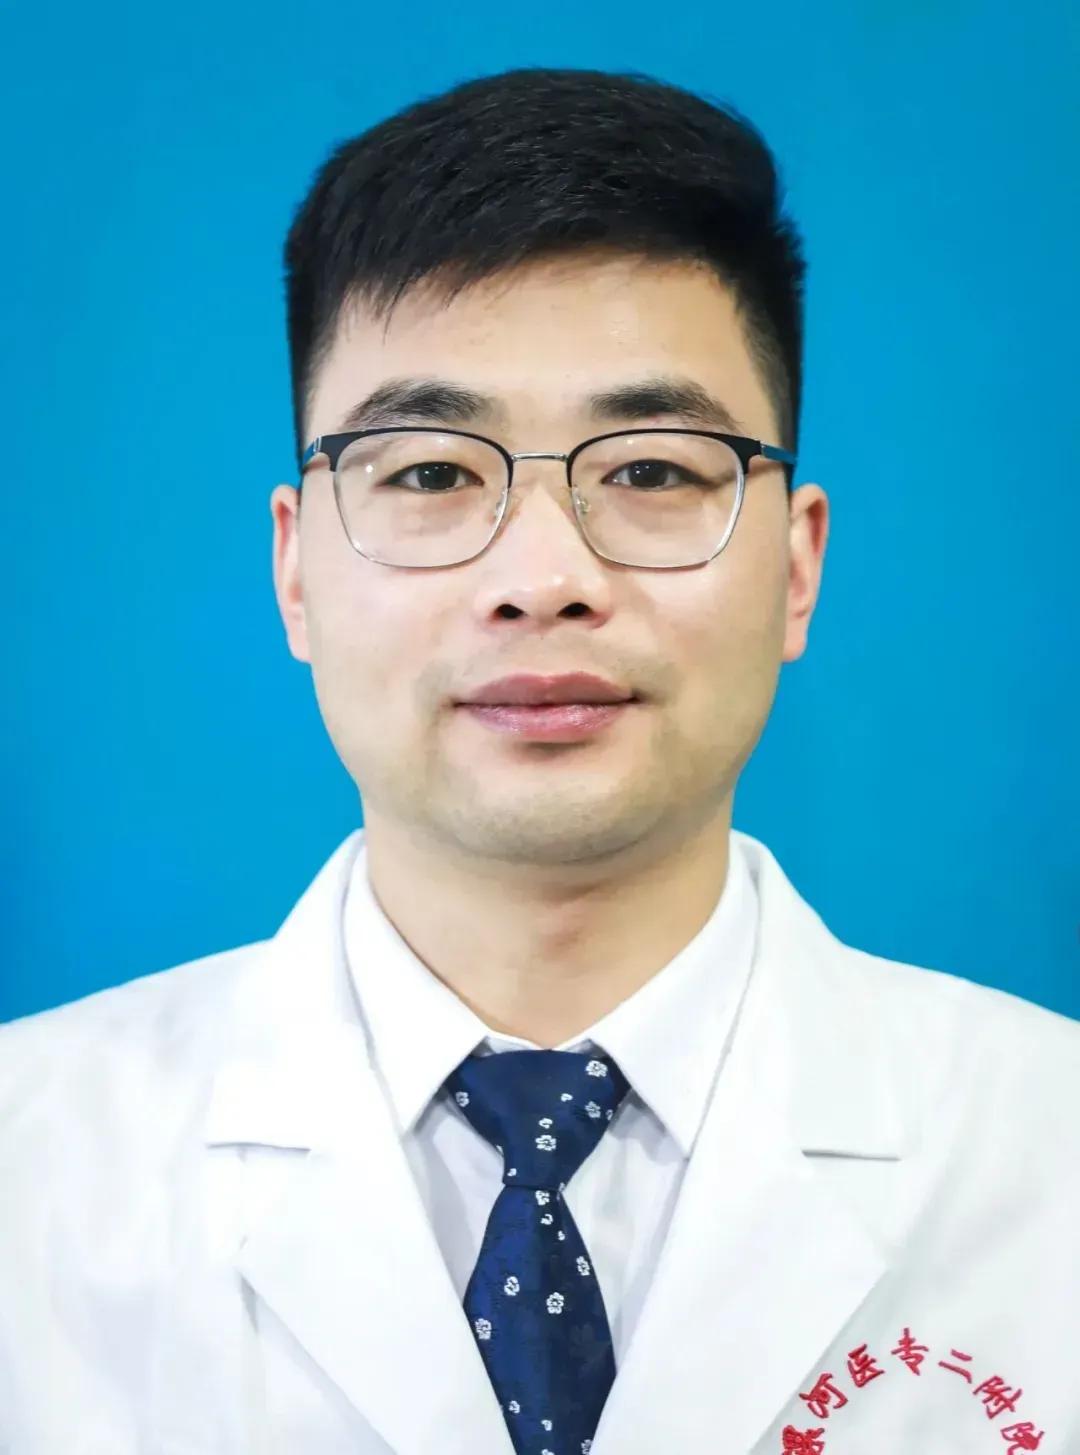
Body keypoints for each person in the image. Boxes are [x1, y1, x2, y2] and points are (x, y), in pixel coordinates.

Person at [1, 67, 1076, 1455]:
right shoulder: (30, 1163)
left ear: (798, 566)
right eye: (431, 473)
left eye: (653, 471)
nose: (543, 578)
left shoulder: (1048, 1154)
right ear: (296, 571)